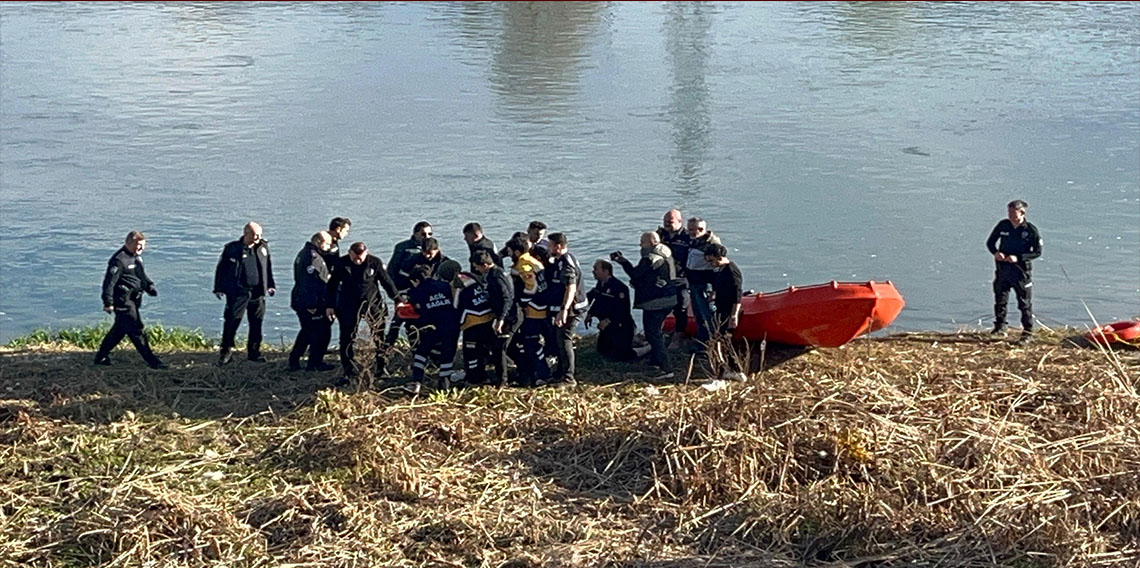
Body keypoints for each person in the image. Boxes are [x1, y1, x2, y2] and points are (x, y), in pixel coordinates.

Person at [92, 231, 167, 369]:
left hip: (134, 299)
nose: (141, 249)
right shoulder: (119, 260)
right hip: (123, 301)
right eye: (138, 246)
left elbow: (140, 276)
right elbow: (109, 283)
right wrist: (108, 302)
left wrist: (149, 286)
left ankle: (101, 357)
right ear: (129, 243)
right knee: (137, 330)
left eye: (143, 246)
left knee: (119, 330)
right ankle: (153, 362)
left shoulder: (136, 258)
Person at [327, 241, 399, 381]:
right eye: (355, 257)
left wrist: (398, 299)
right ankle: (348, 369)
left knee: (379, 336)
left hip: (372, 303)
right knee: (347, 338)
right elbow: (332, 286)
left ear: (367, 252)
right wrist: (329, 306)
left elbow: (387, 282)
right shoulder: (342, 263)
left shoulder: (374, 262)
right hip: (348, 305)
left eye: (361, 257)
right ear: (350, 253)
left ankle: (380, 367)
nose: (358, 260)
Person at [612, 232, 678, 380]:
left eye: (643, 242)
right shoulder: (665, 252)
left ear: (653, 242)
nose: (640, 245)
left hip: (656, 301)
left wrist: (622, 261)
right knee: (655, 332)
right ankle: (655, 360)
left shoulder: (651, 258)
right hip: (669, 296)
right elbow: (652, 276)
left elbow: (635, 273)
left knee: (653, 334)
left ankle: (666, 368)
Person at [213, 222, 275, 366]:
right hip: (238, 292)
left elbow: (268, 266)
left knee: (256, 324)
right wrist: (218, 287)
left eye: (260, 234)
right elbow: (221, 268)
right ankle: (226, 352)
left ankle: (254, 352)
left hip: (257, 292)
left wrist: (270, 285)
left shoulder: (263, 247)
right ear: (246, 233)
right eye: (255, 235)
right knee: (232, 322)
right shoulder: (232, 249)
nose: (258, 237)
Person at [986, 200, 1042, 344]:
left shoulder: (1030, 230)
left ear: (1022, 213)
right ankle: (1000, 326)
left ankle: (1027, 332)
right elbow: (990, 243)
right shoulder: (1003, 225)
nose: (1010, 215)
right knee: (1000, 299)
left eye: (1013, 212)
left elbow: (1037, 252)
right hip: (1003, 270)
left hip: (1020, 272)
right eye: (1009, 212)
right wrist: (996, 253)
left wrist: (1018, 258)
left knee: (1024, 303)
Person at [541, 232, 589, 386]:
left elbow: (571, 287)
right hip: (567, 308)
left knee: (564, 340)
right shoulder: (561, 260)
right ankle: (561, 372)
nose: (548, 248)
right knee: (559, 339)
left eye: (550, 245)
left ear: (558, 246)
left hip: (572, 309)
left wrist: (564, 310)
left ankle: (569, 378)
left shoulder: (566, 263)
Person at [505, 235, 551, 385]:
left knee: (532, 343)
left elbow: (531, 285)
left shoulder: (524, 264)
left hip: (534, 310)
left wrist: (523, 302)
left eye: (510, 251)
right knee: (532, 342)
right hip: (541, 306)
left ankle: (542, 374)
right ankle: (536, 371)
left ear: (517, 252)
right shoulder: (532, 260)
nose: (509, 254)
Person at [585, 259, 649, 362]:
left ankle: (647, 348)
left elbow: (623, 310)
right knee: (603, 351)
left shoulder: (619, 288)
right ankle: (634, 340)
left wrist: (608, 320)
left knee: (622, 357)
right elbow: (597, 300)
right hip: (608, 327)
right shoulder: (600, 284)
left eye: (596, 269)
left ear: (606, 271)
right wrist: (590, 314)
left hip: (621, 326)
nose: (593, 271)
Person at [289, 231, 336, 372]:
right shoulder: (312, 258)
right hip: (311, 303)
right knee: (318, 332)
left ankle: (296, 360)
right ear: (318, 242)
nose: (329, 247)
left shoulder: (308, 253)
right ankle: (314, 363)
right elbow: (308, 284)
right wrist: (312, 305)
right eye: (327, 244)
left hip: (306, 300)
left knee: (308, 331)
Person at [406, 265, 460, 389]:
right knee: (447, 354)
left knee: (421, 352)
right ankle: (444, 385)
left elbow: (417, 307)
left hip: (432, 325)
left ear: (416, 281)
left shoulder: (417, 290)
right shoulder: (444, 285)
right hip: (451, 324)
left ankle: (417, 381)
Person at [472, 250, 515, 386]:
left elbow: (506, 298)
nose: (475, 269)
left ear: (484, 265)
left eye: (477, 266)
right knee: (508, 347)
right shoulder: (496, 273)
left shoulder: (496, 277)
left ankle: (503, 381)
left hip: (509, 316)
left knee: (499, 349)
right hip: (507, 314)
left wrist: (501, 319)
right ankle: (521, 373)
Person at [386, 221, 433, 344]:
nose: (427, 237)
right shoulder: (403, 248)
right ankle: (387, 346)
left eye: (430, 234)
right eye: (423, 234)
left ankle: (417, 344)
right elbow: (391, 271)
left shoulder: (430, 247)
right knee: (400, 317)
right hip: (403, 289)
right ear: (415, 234)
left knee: (419, 317)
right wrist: (395, 294)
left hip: (421, 290)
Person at [704, 243, 746, 381]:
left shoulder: (732, 272)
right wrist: (714, 294)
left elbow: (737, 295)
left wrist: (734, 315)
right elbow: (719, 286)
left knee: (725, 340)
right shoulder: (720, 270)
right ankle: (725, 368)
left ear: (719, 257)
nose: (710, 264)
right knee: (720, 340)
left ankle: (736, 370)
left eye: (711, 260)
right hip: (721, 308)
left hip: (728, 311)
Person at [684, 217, 722, 348]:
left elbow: (718, 267)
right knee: (698, 315)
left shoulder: (712, 245)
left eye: (699, 229)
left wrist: (715, 291)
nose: (694, 232)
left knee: (708, 315)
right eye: (691, 229)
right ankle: (702, 341)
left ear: (704, 229)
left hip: (706, 285)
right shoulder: (692, 241)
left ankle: (713, 344)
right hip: (694, 284)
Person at [657, 209, 693, 348]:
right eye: (665, 222)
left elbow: (696, 258)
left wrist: (689, 279)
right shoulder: (660, 235)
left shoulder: (688, 237)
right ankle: (656, 334)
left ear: (680, 222)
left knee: (681, 307)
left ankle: (679, 335)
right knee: (659, 307)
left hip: (681, 278)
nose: (667, 224)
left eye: (670, 222)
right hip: (663, 278)